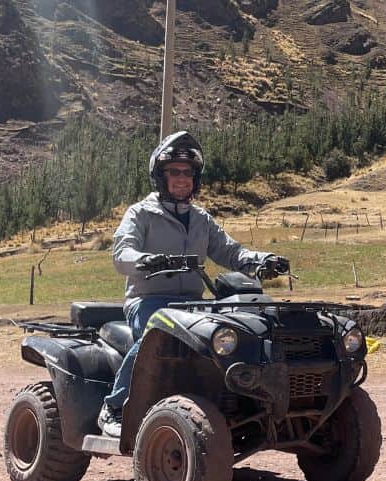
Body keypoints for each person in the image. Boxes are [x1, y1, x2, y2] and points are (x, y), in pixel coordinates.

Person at [98, 130, 287, 438]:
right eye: (174, 171)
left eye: (188, 172)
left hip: (194, 306)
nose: (182, 178)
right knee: (154, 334)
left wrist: (262, 259)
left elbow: (231, 251)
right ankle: (116, 407)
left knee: (242, 330)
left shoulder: (201, 219)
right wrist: (147, 260)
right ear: (161, 176)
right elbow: (122, 254)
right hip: (149, 302)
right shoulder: (140, 214)